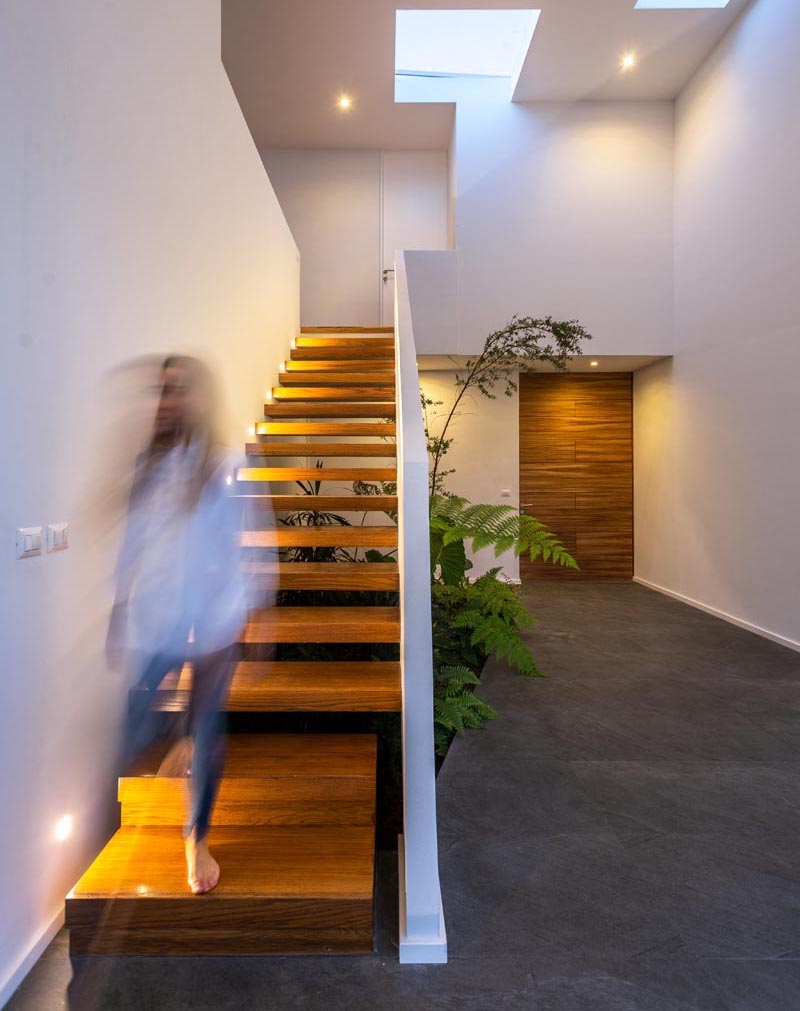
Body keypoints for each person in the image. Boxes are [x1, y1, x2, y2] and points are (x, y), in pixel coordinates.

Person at [106, 354, 251, 894]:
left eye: (179, 390)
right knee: (139, 714)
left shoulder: (225, 462)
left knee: (210, 724)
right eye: (163, 391)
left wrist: (258, 613)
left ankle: (197, 837)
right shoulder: (148, 467)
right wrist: (119, 607)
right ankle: (183, 738)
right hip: (162, 615)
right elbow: (132, 542)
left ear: (199, 398)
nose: (169, 401)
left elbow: (247, 539)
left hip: (216, 616)